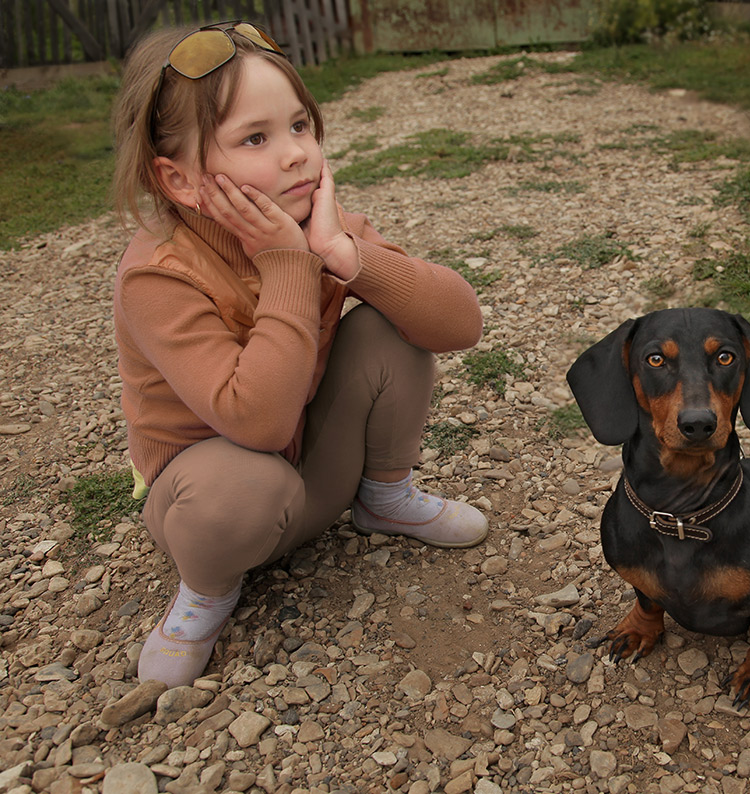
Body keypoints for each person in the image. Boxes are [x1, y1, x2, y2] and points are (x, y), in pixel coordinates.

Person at [110, 21, 488, 689]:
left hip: (315, 481)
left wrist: (349, 258)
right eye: (255, 138)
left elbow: (458, 324)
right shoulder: (160, 275)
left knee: (390, 324)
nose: (295, 155)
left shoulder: (319, 224)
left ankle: (384, 498)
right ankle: (205, 592)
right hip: (217, 511)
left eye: (300, 127)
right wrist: (288, 263)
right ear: (179, 179)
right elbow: (256, 424)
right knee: (242, 484)